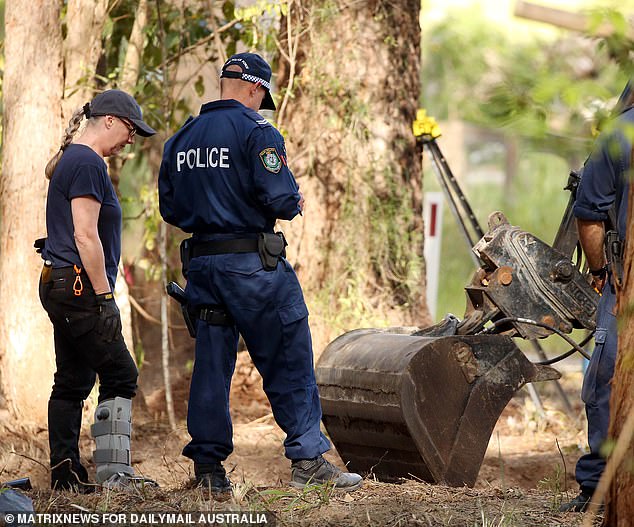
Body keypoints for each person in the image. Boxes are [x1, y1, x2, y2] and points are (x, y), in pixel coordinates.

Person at [158, 53, 362, 493]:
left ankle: (209, 472)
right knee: (287, 351)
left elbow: (171, 209)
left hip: (203, 268)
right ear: (254, 88)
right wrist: (292, 199)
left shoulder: (181, 140)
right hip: (252, 266)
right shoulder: (258, 132)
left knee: (212, 365)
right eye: (261, 95)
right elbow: (282, 200)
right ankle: (308, 460)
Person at [39, 89, 157, 491]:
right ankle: (116, 475)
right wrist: (105, 297)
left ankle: (65, 475)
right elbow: (85, 235)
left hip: (61, 282)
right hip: (78, 287)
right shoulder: (88, 163)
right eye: (129, 129)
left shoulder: (74, 158)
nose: (131, 139)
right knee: (121, 375)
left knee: (72, 380)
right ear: (109, 120)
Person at [559, 100, 634, 512]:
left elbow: (588, 216)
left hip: (625, 280)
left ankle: (596, 488)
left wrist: (601, 271)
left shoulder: (619, 131)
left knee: (604, 378)